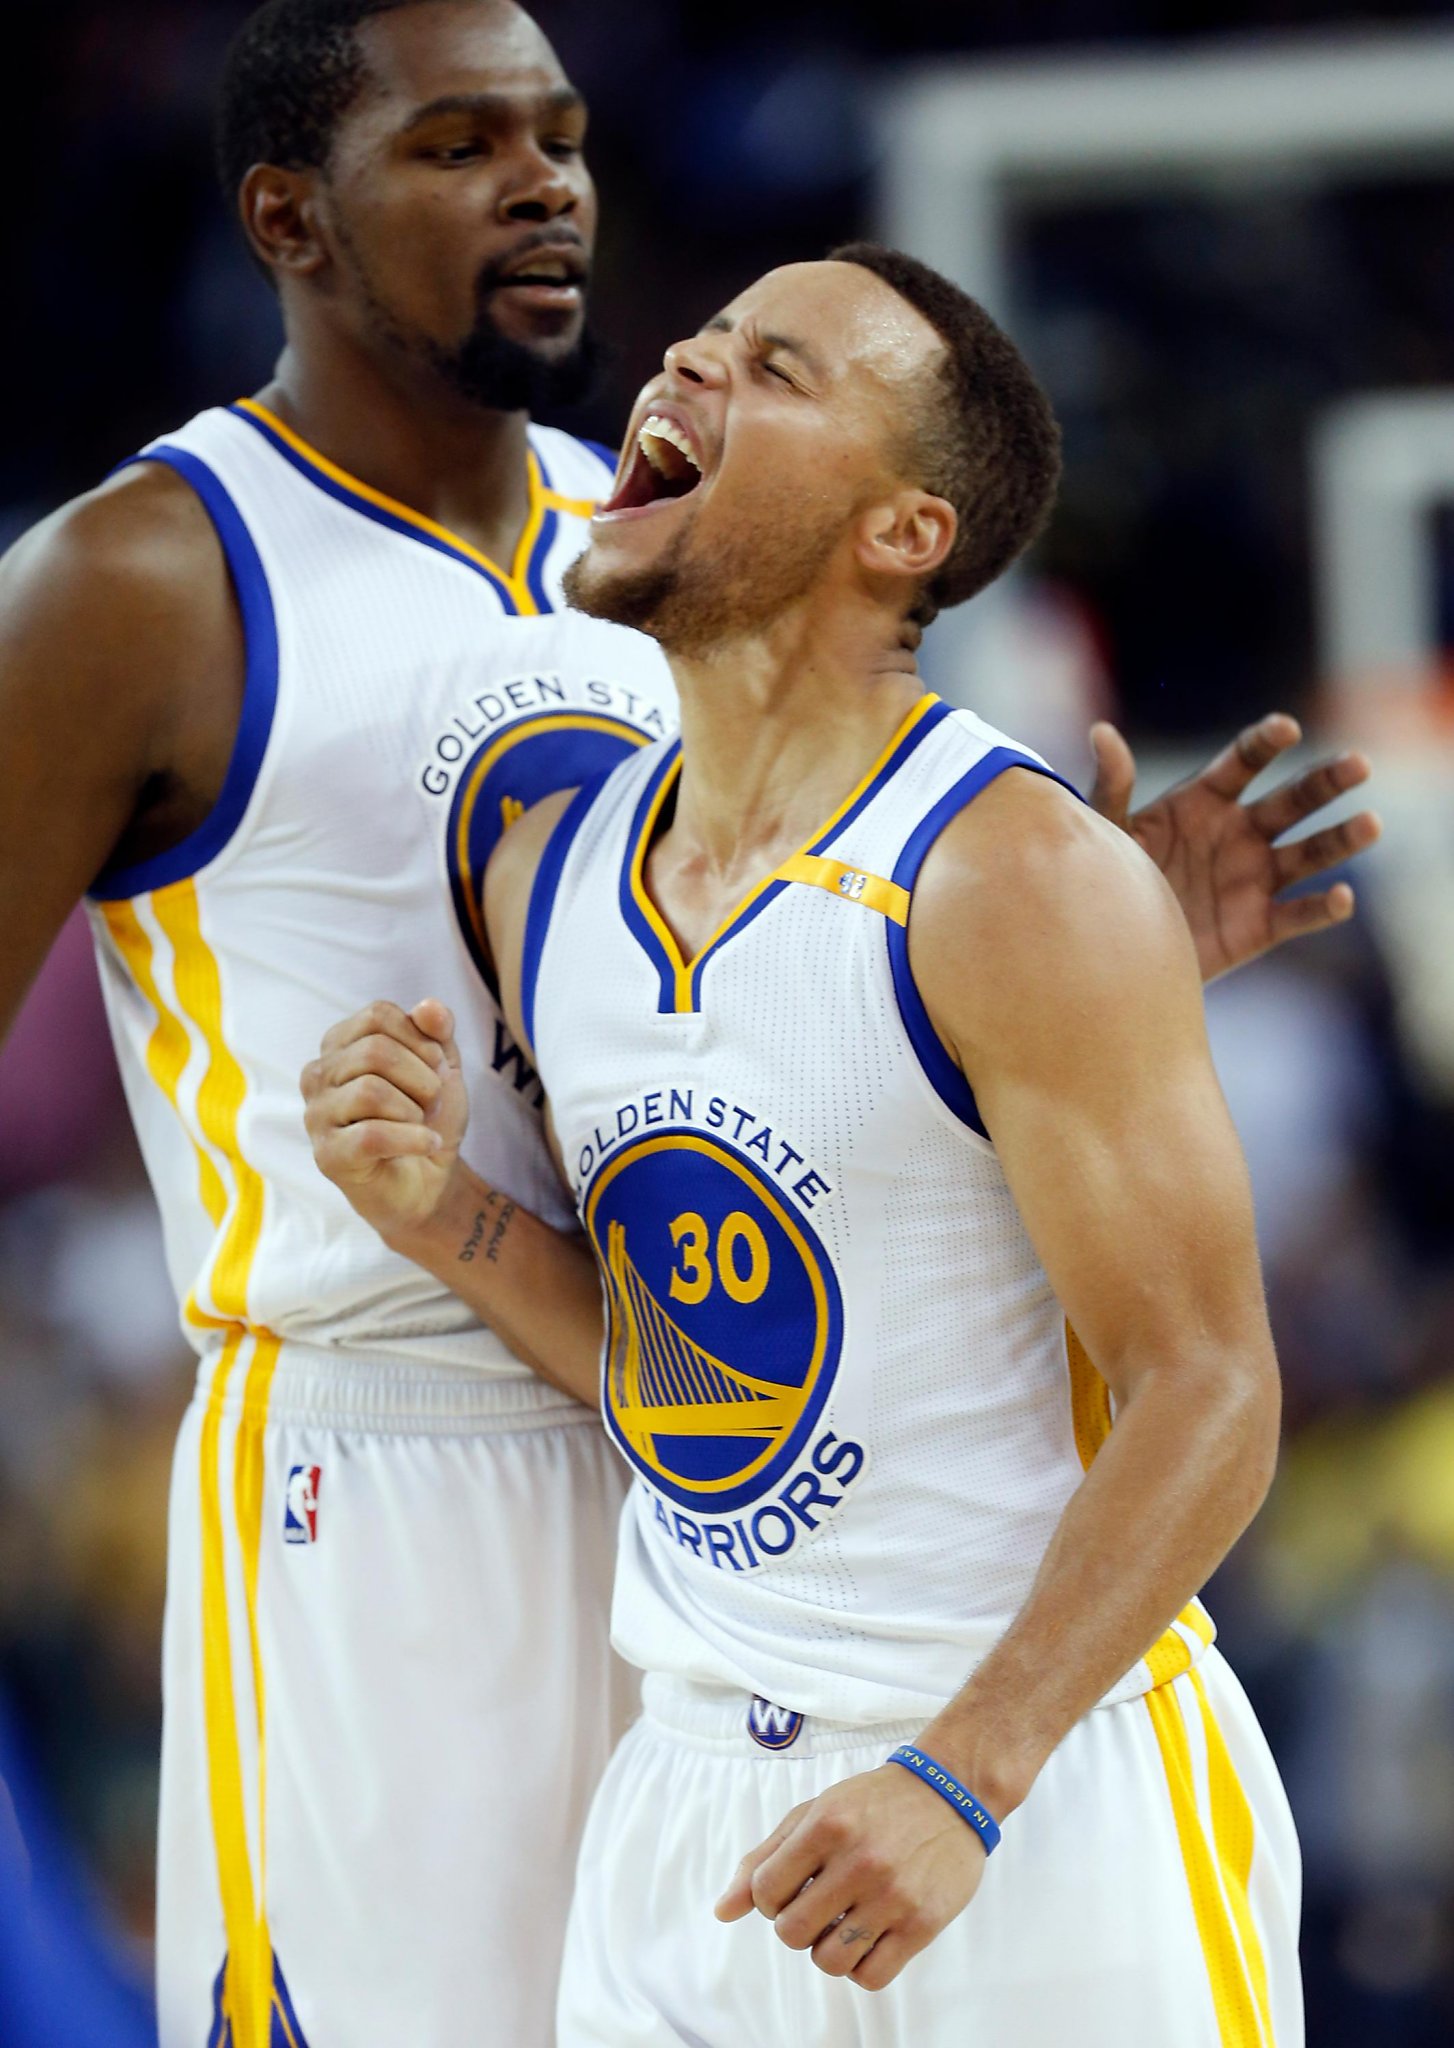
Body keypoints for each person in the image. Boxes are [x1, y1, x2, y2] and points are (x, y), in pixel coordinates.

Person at [0, 1, 1369, 2043]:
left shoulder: (643, 546)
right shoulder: (139, 573)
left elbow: (843, 1053)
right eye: (460, 142)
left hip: (747, 1540)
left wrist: (1079, 952)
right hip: (384, 1477)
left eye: (559, 134)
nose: (546, 180)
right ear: (287, 213)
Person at [306, 247, 1355, 2046]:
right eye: (696, 344)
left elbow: (1211, 1391)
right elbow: (697, 1389)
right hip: (695, 1815)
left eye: (770, 368)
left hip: (1035, 1802)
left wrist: (966, 1777)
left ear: (902, 532)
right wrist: (443, 1219)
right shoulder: (549, 872)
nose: (686, 370)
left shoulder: (1010, 871)